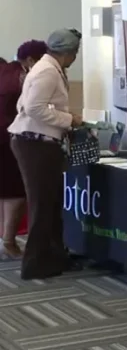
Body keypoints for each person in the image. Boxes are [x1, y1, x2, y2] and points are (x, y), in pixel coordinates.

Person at [9, 29, 83, 279]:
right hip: (35, 144)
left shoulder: (45, 67)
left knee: (51, 203)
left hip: (39, 142)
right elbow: (32, 107)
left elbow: (24, 104)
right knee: (42, 204)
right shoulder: (48, 71)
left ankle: (53, 255)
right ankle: (33, 263)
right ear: (69, 52)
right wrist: (68, 120)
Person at [0, 40, 48, 258]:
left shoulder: (5, 71)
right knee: (16, 193)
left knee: (4, 192)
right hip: (10, 137)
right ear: (31, 59)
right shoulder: (23, 76)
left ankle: (4, 239)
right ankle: (9, 241)